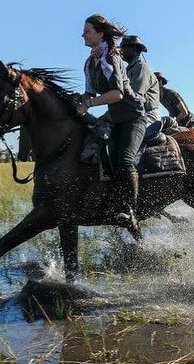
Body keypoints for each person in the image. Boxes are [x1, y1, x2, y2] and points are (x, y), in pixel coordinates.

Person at [75, 14, 146, 237]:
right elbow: (89, 92)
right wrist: (78, 100)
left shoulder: (110, 56)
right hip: (115, 119)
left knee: (124, 161)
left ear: (100, 34)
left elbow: (117, 94)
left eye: (87, 30)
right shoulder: (90, 62)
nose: (83, 35)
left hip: (133, 117)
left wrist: (89, 103)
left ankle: (130, 211)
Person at [120, 35, 161, 131]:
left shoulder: (141, 67)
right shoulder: (128, 69)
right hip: (133, 114)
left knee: (131, 135)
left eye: (124, 47)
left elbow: (134, 97)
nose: (121, 50)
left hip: (147, 115)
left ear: (133, 49)